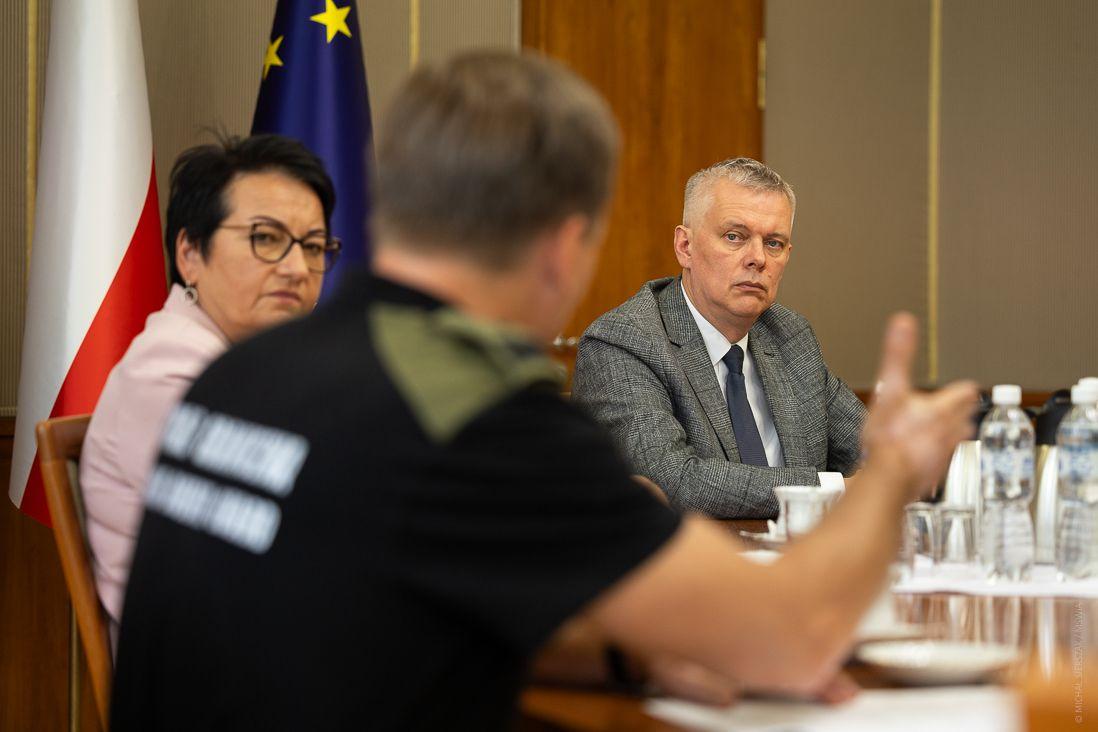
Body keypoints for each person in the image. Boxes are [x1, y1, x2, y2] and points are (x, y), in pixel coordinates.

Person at [110, 52, 976, 731]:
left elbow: (376, 607)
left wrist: (623, 658)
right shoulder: (473, 412)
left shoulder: (242, 371)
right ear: (565, 245)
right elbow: (790, 637)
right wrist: (895, 469)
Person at [79, 134, 338, 638]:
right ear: (190, 253)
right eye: (267, 238)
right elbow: (280, 541)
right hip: (205, 660)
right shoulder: (168, 373)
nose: (297, 268)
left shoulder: (258, 364)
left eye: (312, 246)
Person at [572, 158, 866, 518]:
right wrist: (834, 490)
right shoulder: (624, 341)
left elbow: (876, 451)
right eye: (734, 237)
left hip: (806, 552)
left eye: (773, 243)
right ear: (685, 246)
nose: (757, 258)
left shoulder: (790, 336)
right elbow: (675, 481)